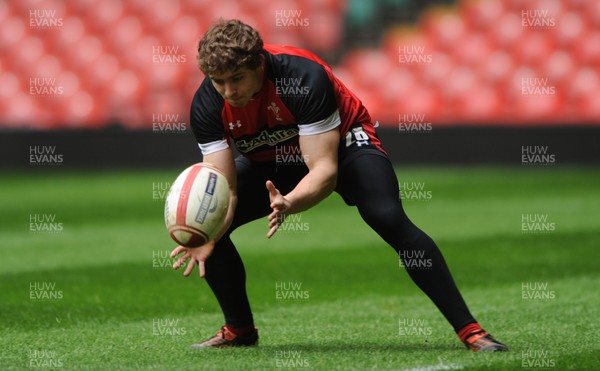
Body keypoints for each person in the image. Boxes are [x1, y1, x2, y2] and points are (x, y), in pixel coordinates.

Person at [170, 19, 508, 352]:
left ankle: (470, 330)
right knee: (211, 223)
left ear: (258, 63)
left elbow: (324, 171)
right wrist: (207, 232)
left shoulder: (302, 76)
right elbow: (224, 190)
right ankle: (239, 331)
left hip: (346, 146)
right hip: (272, 160)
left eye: (237, 79)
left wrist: (291, 202)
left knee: (387, 216)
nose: (229, 91)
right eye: (219, 82)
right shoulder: (206, 103)